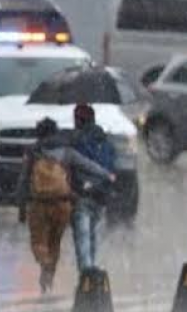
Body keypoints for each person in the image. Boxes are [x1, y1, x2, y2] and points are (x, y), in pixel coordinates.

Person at [18, 117, 115, 293]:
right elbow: (88, 165)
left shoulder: (33, 152)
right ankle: (48, 277)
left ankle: (44, 262)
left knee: (39, 241)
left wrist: (21, 206)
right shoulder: (67, 152)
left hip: (38, 204)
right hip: (62, 204)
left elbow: (23, 180)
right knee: (54, 242)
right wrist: (106, 174)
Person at [70, 103, 117, 272]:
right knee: (92, 236)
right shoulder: (106, 143)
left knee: (82, 237)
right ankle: (92, 274)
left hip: (82, 195)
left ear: (78, 120)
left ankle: (86, 275)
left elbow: (74, 167)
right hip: (101, 195)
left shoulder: (76, 143)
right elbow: (111, 168)